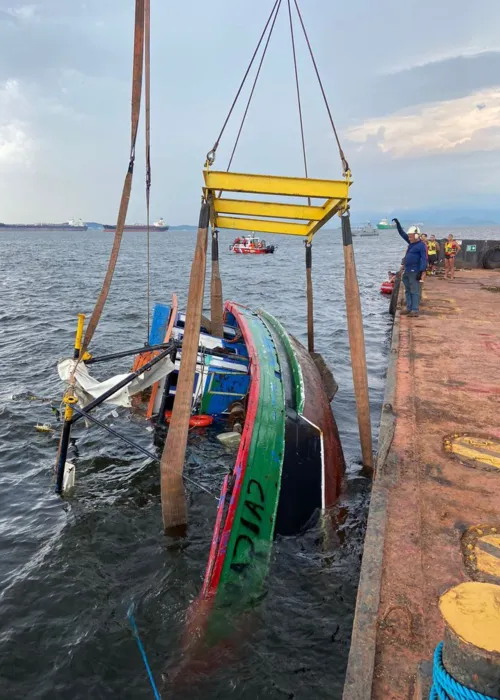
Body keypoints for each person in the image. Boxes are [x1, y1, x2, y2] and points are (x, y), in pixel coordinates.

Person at [392, 219, 428, 317]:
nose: (409, 237)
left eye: (411, 236)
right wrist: (398, 225)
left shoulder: (421, 245)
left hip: (415, 271)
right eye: (409, 235)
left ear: (416, 236)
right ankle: (409, 307)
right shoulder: (411, 242)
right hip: (407, 270)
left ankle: (415, 310)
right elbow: (402, 233)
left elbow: (424, 259)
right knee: (407, 290)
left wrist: (421, 271)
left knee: (414, 290)